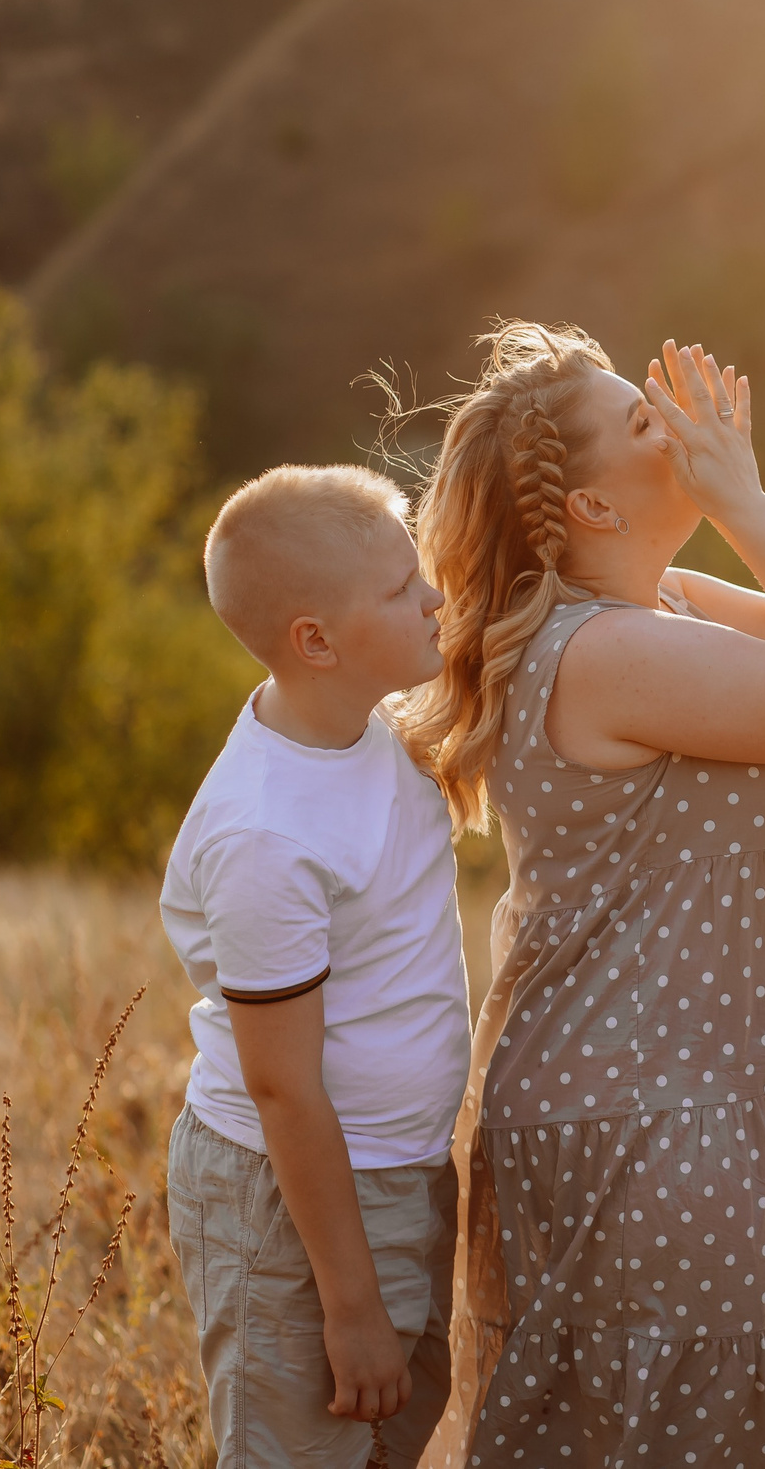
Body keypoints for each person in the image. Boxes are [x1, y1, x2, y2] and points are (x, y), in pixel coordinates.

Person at [397, 325, 765, 1469]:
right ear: (589, 506)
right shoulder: (607, 652)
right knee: (664, 1435)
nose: (681, 426)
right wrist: (746, 504)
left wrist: (738, 510)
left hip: (677, 1089)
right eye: (645, 420)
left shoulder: (660, 605)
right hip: (651, 1106)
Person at [160, 464, 471, 1469]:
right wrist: (351, 1306)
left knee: (385, 1441)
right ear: (316, 642)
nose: (433, 596)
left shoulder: (363, 727)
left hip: (399, 1170)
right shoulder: (267, 836)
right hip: (298, 1207)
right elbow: (283, 1088)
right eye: (401, 587)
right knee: (302, 1449)